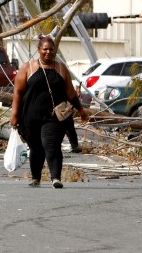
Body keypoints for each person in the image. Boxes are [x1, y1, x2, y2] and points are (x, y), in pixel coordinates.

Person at [10, 35, 88, 188]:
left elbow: (71, 93)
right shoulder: (28, 68)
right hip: (30, 116)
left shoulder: (61, 68)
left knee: (50, 144)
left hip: (54, 116)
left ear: (55, 50)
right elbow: (18, 93)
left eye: (51, 49)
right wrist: (14, 115)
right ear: (39, 50)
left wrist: (81, 109)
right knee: (35, 147)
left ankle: (55, 178)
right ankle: (35, 178)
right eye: (45, 49)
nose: (48, 52)